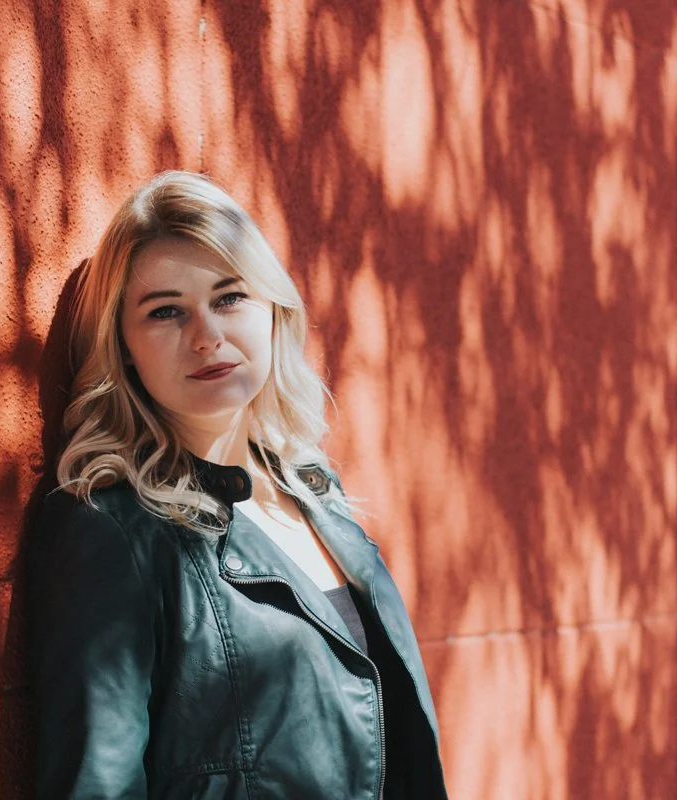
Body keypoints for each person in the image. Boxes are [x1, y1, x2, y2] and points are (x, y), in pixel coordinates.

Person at [25, 170, 448, 798]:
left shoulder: (316, 493)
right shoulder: (114, 530)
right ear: (125, 347)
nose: (207, 336)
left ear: (273, 311)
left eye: (229, 298)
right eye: (165, 311)